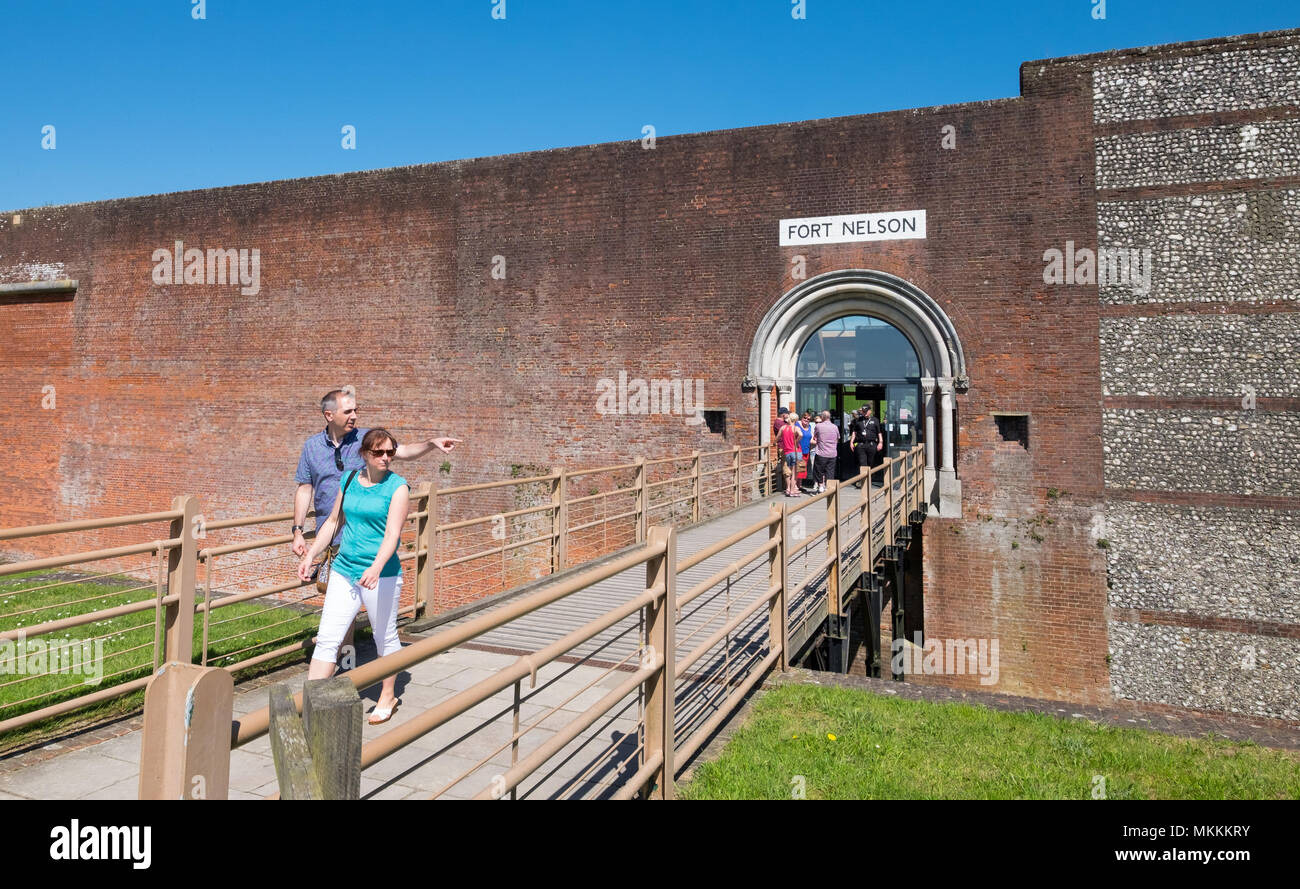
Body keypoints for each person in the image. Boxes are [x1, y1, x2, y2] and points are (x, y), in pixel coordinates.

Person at [297, 428, 409, 725]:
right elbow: (334, 522)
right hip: (345, 570)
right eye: (379, 452)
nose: (386, 457)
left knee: (383, 637)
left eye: (390, 452)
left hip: (381, 575)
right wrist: (311, 555)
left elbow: (392, 535)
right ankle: (313, 704)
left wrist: (375, 567)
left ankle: (387, 696)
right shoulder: (349, 479)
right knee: (328, 638)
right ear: (365, 454)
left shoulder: (398, 488)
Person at [291, 389, 460, 558]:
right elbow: (305, 489)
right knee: (330, 585)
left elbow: (404, 451)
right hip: (329, 540)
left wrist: (431, 444)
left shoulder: (366, 438)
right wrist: (298, 532)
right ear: (329, 415)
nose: (355, 416)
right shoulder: (311, 446)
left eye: (356, 411)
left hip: (367, 541)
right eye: (348, 412)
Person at [850, 405, 885, 486]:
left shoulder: (875, 420)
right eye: (863, 411)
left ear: (870, 411)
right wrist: (851, 442)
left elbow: (879, 432)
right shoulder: (858, 420)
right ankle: (863, 481)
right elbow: (854, 432)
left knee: (871, 463)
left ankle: (869, 478)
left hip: (872, 444)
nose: (865, 413)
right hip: (861, 444)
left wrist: (881, 442)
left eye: (866, 411)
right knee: (863, 463)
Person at [810, 411, 839, 493]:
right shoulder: (835, 427)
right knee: (830, 471)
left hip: (821, 452)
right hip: (832, 453)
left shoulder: (819, 426)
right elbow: (837, 439)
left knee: (819, 470)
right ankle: (829, 488)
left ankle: (821, 486)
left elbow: (815, 437)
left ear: (822, 417)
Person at [779, 415, 802, 497]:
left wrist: (775, 443)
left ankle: (789, 489)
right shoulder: (796, 428)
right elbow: (801, 435)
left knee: (790, 471)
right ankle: (792, 490)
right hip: (796, 451)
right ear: (796, 420)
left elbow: (777, 438)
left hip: (787, 452)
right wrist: (796, 442)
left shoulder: (783, 428)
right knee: (795, 473)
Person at [798, 412, 813, 491]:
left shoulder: (809, 426)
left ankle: (799, 486)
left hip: (806, 451)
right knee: (797, 469)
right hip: (798, 451)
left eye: (808, 419)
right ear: (801, 417)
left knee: (802, 470)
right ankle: (796, 486)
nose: (806, 420)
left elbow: (811, 439)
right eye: (805, 418)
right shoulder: (797, 425)